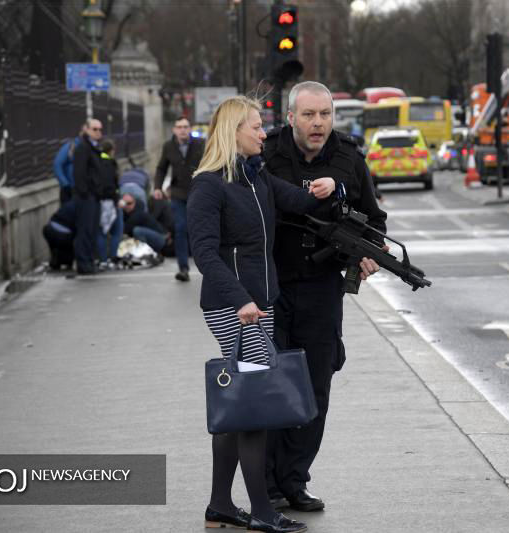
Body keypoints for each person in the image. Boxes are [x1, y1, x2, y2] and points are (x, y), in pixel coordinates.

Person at [187, 96, 336, 533]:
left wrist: (331, 187)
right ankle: (261, 512)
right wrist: (239, 300)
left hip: (258, 304)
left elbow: (302, 202)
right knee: (253, 408)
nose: (263, 133)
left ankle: (220, 506)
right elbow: (204, 253)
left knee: (241, 406)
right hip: (233, 306)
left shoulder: (257, 178)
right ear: (234, 131)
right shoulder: (209, 184)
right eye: (255, 126)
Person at [262, 81, 387, 512]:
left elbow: (375, 220)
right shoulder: (266, 153)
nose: (318, 124)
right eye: (309, 115)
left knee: (315, 386)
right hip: (271, 286)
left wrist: (368, 254)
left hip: (321, 287)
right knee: (272, 384)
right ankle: (268, 484)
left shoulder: (349, 158)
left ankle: (294, 480)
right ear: (291, 117)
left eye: (325, 115)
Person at [154, 116, 204, 282]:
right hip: (177, 193)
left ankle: (207, 266)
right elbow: (161, 168)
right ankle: (183, 268)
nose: (183, 130)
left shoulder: (200, 144)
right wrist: (157, 187)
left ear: (189, 129)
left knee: (200, 229)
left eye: (185, 126)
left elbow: (210, 163)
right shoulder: (169, 146)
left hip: (198, 193)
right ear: (174, 130)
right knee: (180, 228)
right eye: (179, 127)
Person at [72, 118, 104, 274]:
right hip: (86, 197)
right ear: (86, 129)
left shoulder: (95, 148)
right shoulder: (83, 148)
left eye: (100, 129)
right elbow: (79, 173)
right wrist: (85, 192)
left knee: (92, 230)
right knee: (85, 230)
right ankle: (84, 263)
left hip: (94, 196)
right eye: (94, 129)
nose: (98, 132)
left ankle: (89, 261)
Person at [95, 139, 123, 269]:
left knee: (101, 231)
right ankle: (111, 257)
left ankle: (102, 260)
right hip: (110, 201)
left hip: (99, 200)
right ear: (111, 151)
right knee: (116, 230)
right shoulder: (109, 163)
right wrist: (117, 199)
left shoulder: (96, 161)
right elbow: (111, 185)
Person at [53, 124, 87, 205]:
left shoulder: (93, 148)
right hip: (71, 190)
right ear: (81, 132)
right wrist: (65, 184)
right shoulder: (71, 146)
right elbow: (57, 164)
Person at [42, 200, 77, 270]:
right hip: (65, 235)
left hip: (49, 229)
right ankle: (65, 260)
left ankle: (56, 259)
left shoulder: (68, 204)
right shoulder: (82, 206)